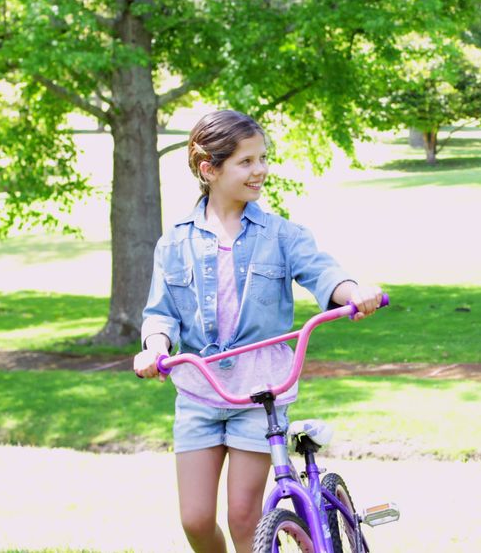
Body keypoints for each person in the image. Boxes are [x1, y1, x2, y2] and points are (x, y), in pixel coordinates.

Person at [133, 109, 383, 553]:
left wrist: (353, 293)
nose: (261, 170)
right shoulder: (174, 242)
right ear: (209, 168)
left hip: (260, 396)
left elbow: (323, 273)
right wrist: (154, 348)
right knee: (195, 520)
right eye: (246, 162)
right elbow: (161, 314)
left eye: (263, 158)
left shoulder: (282, 235)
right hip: (199, 393)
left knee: (244, 518)